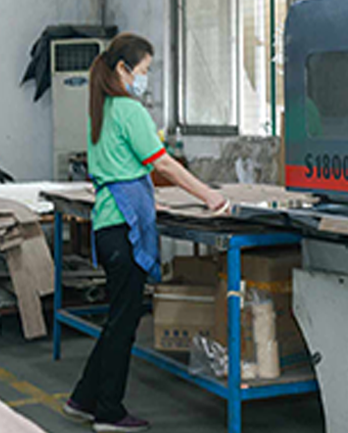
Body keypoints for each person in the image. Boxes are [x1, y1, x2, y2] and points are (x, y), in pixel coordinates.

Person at [62, 33, 229, 433]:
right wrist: (208, 194)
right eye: (144, 70)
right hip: (123, 228)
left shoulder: (102, 109)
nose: (146, 78)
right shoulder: (128, 110)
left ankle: (83, 399)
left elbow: (126, 166)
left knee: (118, 318)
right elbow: (164, 165)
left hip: (109, 223)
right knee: (123, 323)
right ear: (123, 69)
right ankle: (109, 412)